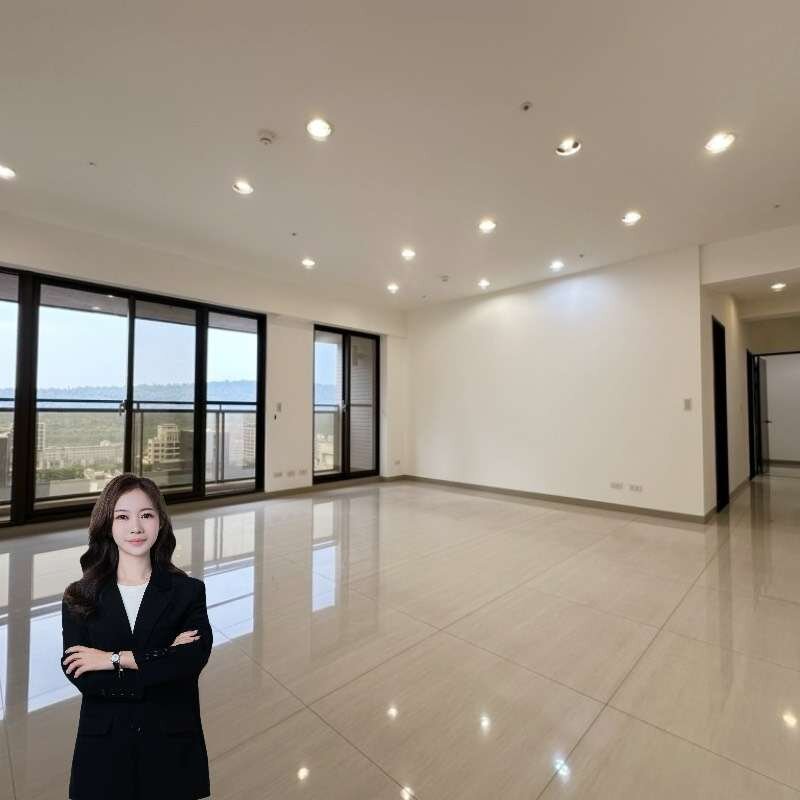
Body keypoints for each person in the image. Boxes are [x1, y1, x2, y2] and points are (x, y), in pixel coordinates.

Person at [61, 473, 212, 800]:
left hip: (170, 748)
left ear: (160, 522)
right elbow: (82, 675)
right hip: (104, 751)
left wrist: (112, 659)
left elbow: (190, 660)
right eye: (122, 517)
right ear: (107, 524)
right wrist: (162, 660)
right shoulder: (79, 596)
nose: (136, 527)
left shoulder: (188, 591)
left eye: (146, 515)